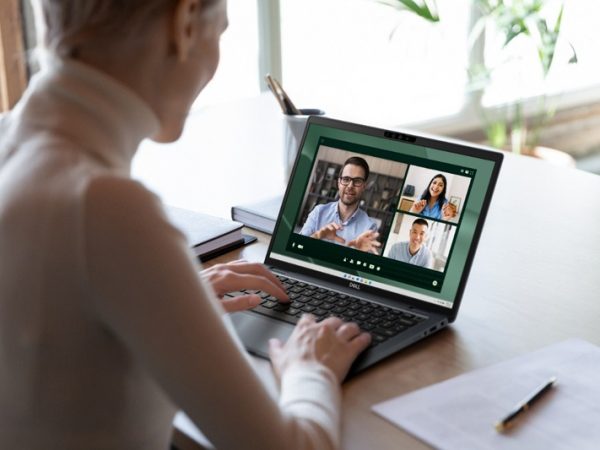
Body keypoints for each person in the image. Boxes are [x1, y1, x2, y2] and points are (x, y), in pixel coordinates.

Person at [0, 1, 371, 449]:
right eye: (222, 32)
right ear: (184, 22)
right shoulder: (107, 209)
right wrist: (310, 370)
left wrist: (168, 291)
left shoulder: (11, 145)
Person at [300, 156, 381, 254]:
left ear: (364, 186)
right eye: (346, 179)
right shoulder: (318, 212)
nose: (350, 186)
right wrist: (317, 236)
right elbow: (297, 247)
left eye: (357, 181)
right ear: (339, 182)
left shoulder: (370, 227)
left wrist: (358, 252)